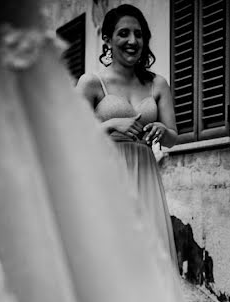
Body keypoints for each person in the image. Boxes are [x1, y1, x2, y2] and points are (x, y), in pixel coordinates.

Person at [75, 3, 179, 270]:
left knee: (147, 264)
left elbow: (173, 138)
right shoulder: (91, 83)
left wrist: (163, 131)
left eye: (139, 34)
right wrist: (108, 126)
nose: (133, 41)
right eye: (124, 33)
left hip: (145, 179)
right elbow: (66, 135)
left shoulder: (157, 84)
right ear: (107, 39)